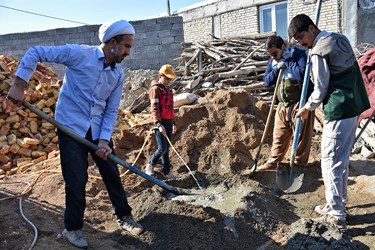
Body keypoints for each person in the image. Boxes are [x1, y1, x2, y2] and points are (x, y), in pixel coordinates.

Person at [6, 20, 143, 248]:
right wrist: (20, 84)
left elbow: (110, 110)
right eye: (127, 46)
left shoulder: (117, 74)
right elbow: (35, 51)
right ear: (112, 43)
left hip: (98, 130)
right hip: (71, 128)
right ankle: (72, 229)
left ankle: (124, 216)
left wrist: (103, 141)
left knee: (111, 173)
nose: (129, 52)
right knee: (76, 180)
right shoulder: (79, 54)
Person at [289, 14, 370, 232]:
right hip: (353, 106)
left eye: (301, 36)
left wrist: (307, 107)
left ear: (312, 28)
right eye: (296, 40)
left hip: (339, 108)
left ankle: (336, 216)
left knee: (330, 162)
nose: (301, 42)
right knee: (341, 161)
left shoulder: (318, 51)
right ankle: (338, 205)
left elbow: (321, 88)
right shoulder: (339, 38)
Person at [257, 35, 314, 171]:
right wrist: (277, 68)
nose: (273, 57)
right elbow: (266, 81)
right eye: (270, 55)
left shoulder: (299, 55)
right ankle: (273, 162)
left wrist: (288, 61)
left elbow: (302, 74)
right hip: (282, 104)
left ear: (283, 47)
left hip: (300, 103)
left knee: (301, 137)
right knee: (279, 136)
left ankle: (299, 164)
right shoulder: (273, 61)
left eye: (275, 53)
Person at [145, 64, 177, 179]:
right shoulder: (155, 89)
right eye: (167, 78)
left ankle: (166, 171)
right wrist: (158, 124)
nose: (169, 81)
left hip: (168, 122)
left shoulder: (167, 90)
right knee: (162, 148)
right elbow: (154, 108)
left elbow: (170, 108)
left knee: (166, 149)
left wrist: (173, 123)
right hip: (160, 123)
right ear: (160, 75)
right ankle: (150, 165)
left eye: (170, 79)